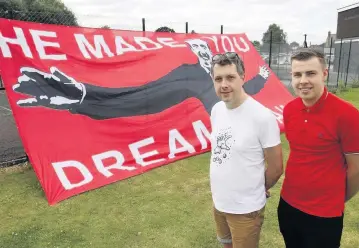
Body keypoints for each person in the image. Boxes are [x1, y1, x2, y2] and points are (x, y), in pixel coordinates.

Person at [12, 39, 270, 120]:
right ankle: (77, 96)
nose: (223, 84)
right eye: (196, 50)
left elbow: (243, 90)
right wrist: (83, 95)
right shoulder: (185, 71)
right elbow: (142, 94)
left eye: (203, 50)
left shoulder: (216, 83)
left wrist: (263, 76)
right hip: (134, 97)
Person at [278, 48, 359, 248]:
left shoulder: (347, 114)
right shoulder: (289, 110)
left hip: (325, 215)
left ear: (324, 74)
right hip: (288, 205)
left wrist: (335, 198)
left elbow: (356, 170)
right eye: (297, 74)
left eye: (310, 73)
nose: (303, 80)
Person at [209, 52, 283, 248]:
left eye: (230, 77)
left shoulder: (262, 117)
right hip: (219, 202)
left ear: (242, 77)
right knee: (226, 244)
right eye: (218, 79)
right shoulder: (216, 110)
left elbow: (276, 167)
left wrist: (257, 189)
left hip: (245, 209)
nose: (224, 84)